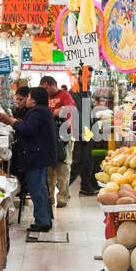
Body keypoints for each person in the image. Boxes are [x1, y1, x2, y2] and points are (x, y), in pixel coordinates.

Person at [0, 87, 56, 232]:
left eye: (28, 97)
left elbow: (28, 130)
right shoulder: (40, 111)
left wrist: (10, 121)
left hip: (36, 156)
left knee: (37, 189)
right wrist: (14, 121)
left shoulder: (38, 112)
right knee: (40, 188)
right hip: (39, 155)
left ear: (33, 100)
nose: (26, 100)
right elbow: (29, 126)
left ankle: (42, 221)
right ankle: (45, 219)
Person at [40, 76, 76, 209]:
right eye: (43, 89)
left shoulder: (64, 95)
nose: (45, 91)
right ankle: (49, 198)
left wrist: (56, 112)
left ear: (54, 84)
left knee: (62, 168)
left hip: (64, 137)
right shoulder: (43, 98)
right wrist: (53, 112)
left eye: (47, 88)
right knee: (49, 170)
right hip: (48, 138)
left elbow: (71, 110)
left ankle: (62, 198)